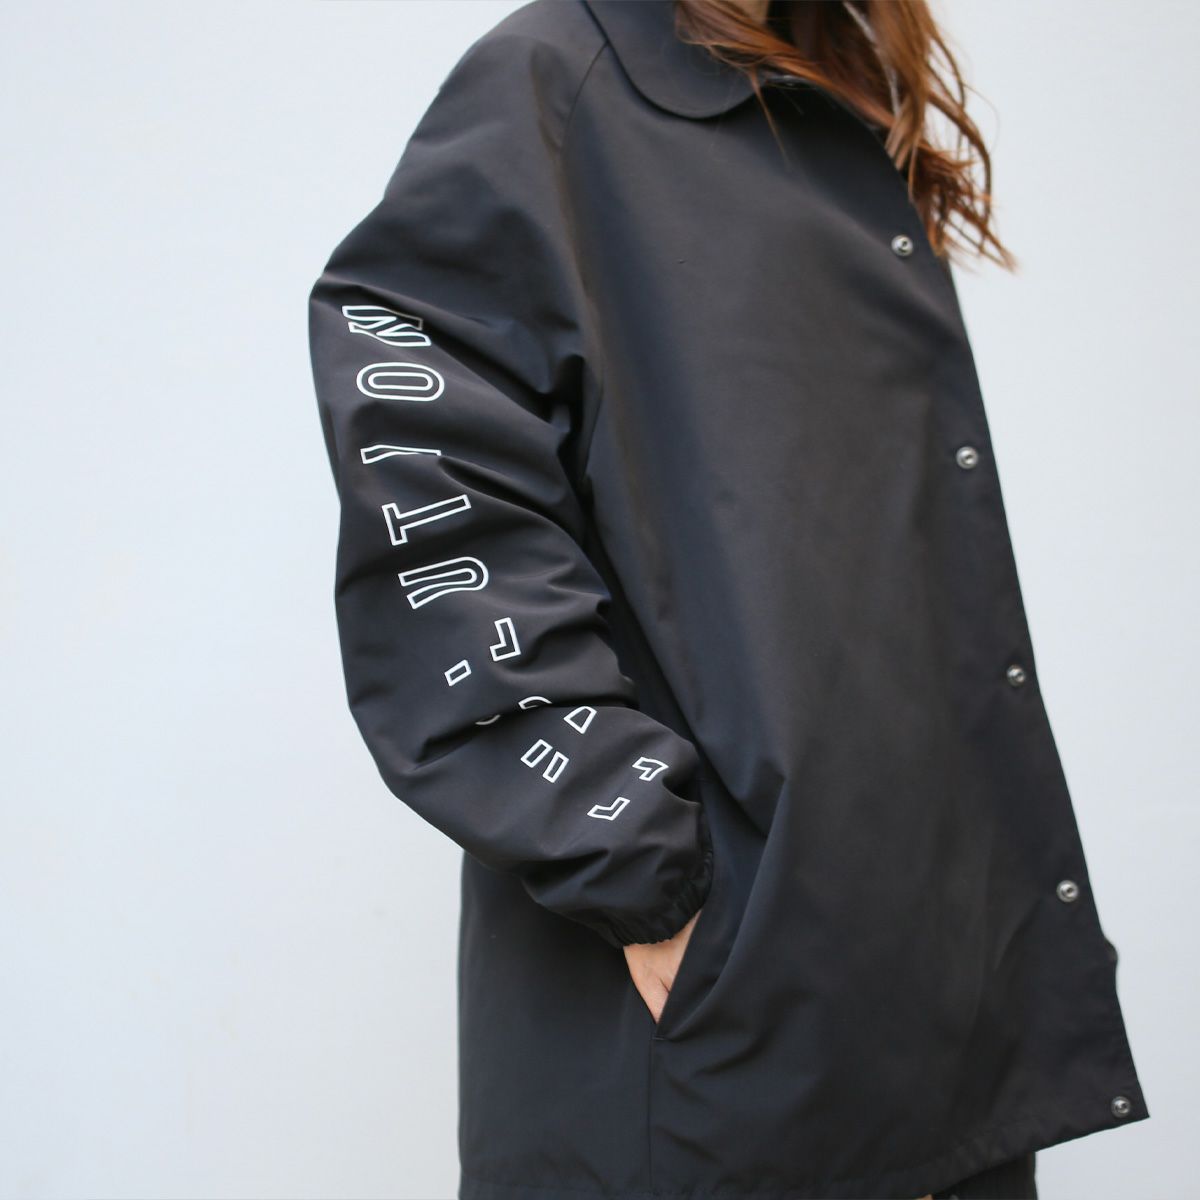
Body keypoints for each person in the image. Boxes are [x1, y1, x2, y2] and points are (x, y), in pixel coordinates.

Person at [306, 2, 1149, 1197]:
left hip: (926, 1008)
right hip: (722, 1037)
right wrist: (630, 854)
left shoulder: (828, 93)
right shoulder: (556, 87)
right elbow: (430, 474)